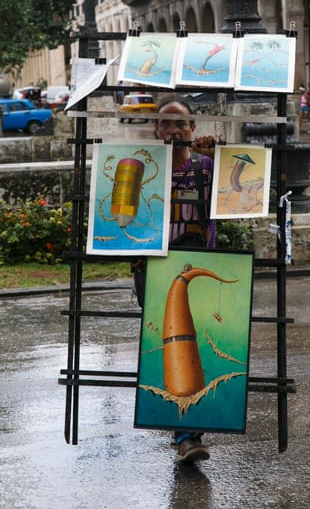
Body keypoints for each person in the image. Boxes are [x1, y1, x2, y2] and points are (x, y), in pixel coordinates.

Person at [135, 97, 217, 464]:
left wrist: (223, 156)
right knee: (171, 348)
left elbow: (245, 198)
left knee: (198, 346)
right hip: (155, 271)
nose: (173, 131)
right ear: (156, 129)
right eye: (165, 124)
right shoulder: (143, 170)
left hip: (199, 270)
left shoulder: (210, 168)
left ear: (192, 129)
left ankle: (189, 433)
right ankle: (186, 434)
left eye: (180, 124)